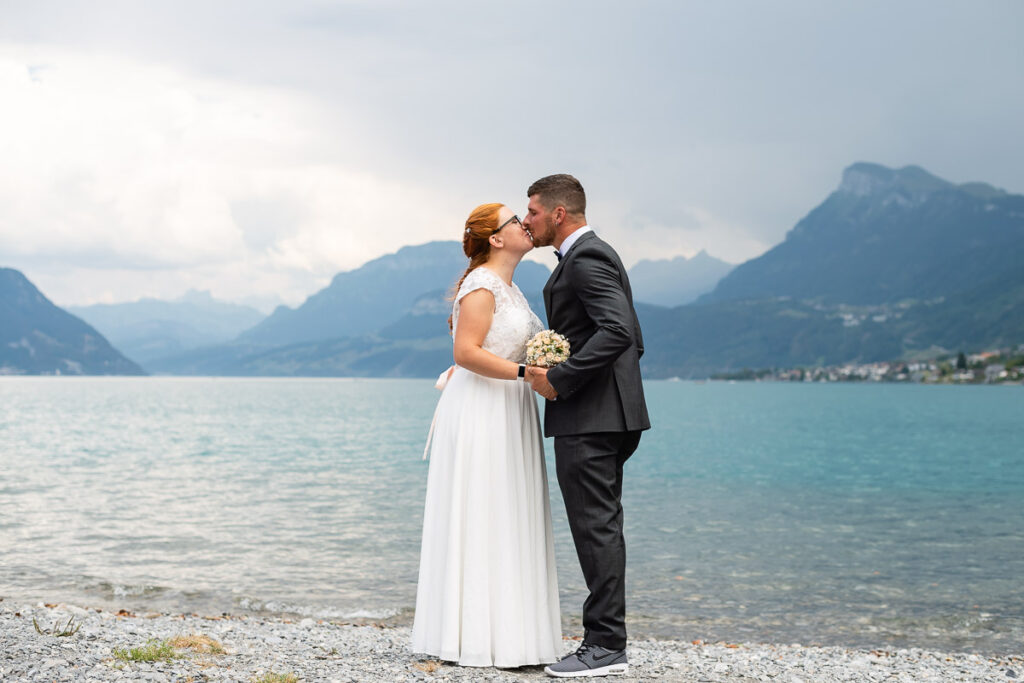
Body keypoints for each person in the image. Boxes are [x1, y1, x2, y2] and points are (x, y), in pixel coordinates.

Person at [411, 203, 562, 668]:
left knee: (509, 510)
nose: (524, 225)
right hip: (482, 408)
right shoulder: (480, 287)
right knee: (484, 509)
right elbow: (466, 352)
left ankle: (513, 636)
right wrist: (524, 371)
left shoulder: (512, 290)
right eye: (515, 221)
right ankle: (472, 635)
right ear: (496, 238)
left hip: (510, 407)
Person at [523, 174, 650, 678]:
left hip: (591, 417)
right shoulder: (590, 256)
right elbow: (632, 337)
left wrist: (562, 379)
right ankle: (605, 641)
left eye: (531, 211)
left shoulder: (586, 257)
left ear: (558, 214)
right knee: (601, 525)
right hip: (606, 413)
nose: (526, 219)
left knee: (595, 528)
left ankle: (605, 647)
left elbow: (619, 331)